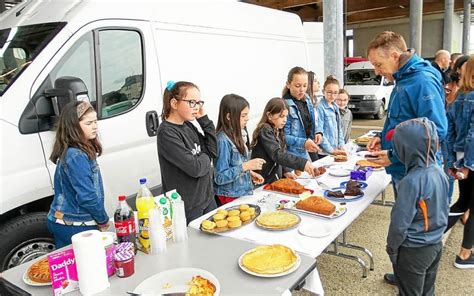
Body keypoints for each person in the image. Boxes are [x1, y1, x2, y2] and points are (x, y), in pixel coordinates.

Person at [365, 31, 448, 285]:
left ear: (394, 55)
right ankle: (405, 271)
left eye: (379, 64)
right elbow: (400, 119)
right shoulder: (403, 78)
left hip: (413, 170)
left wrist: (392, 154)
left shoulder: (421, 81)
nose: (378, 71)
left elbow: (435, 132)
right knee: (407, 219)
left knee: (411, 225)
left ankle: (412, 273)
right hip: (404, 167)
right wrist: (383, 137)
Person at [387, 117, 449, 296]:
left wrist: (392, 248)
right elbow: (444, 208)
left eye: (396, 145)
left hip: (413, 250)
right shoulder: (439, 172)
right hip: (435, 244)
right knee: (428, 290)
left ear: (406, 149)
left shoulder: (411, 182)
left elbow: (399, 224)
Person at [47, 101, 109, 248]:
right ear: (73, 126)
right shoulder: (76, 156)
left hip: (63, 220)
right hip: (74, 223)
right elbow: (87, 196)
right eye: (88, 123)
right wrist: (103, 219)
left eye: (95, 121)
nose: (95, 126)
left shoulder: (72, 151)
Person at [157, 81, 217, 224]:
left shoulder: (189, 125)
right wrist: (206, 157)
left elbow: (213, 151)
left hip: (207, 198)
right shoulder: (167, 133)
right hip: (188, 207)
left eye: (199, 103)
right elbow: (194, 168)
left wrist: (204, 121)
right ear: (174, 103)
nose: (197, 107)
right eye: (192, 102)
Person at [444, 56, 474, 269]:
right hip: (470, 161)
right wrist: (468, 164)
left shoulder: (459, 97)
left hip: (463, 159)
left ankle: (431, 236)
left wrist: (452, 162)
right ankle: (464, 255)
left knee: (463, 202)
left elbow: (449, 134)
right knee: (469, 205)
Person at [251, 97, 318, 183]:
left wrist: (285, 171)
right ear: (269, 115)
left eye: (286, 116)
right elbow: (277, 154)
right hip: (262, 180)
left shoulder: (278, 129)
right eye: (281, 116)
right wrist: (302, 163)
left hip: (274, 178)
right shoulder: (265, 130)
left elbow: (281, 153)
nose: (285, 120)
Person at [214, 94, 265, 205]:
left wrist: (249, 173)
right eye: (243, 115)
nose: (247, 118)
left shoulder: (238, 135)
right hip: (229, 196)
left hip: (241, 192)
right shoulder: (222, 140)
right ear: (229, 117)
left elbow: (235, 166)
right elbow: (220, 177)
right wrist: (246, 166)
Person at [283, 66, 323, 162]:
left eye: (305, 86)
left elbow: (314, 120)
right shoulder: (284, 105)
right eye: (298, 86)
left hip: (310, 146)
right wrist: (304, 142)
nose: (302, 90)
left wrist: (318, 132)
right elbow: (283, 137)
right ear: (288, 84)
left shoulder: (307, 98)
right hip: (294, 153)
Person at [316, 75, 345, 154]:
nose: (332, 96)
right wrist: (330, 150)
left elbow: (339, 128)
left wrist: (341, 144)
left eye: (335, 93)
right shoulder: (320, 107)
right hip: (324, 151)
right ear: (323, 91)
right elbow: (319, 130)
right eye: (329, 92)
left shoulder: (335, 106)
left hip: (336, 149)